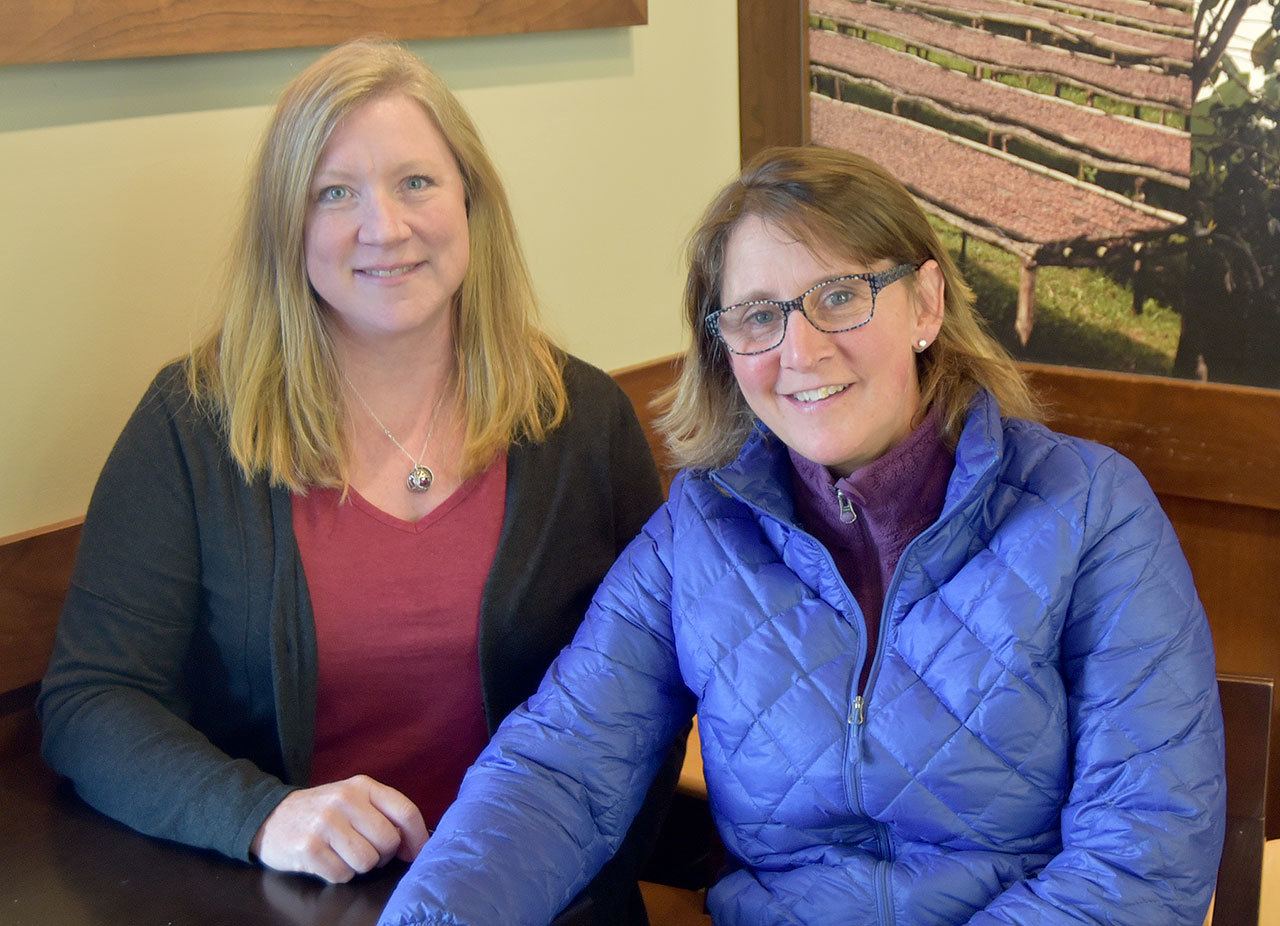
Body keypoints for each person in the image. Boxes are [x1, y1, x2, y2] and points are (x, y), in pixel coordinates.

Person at [378, 146, 1226, 926]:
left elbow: (1144, 861)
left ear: (926, 303)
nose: (801, 349)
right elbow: (560, 772)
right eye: (757, 315)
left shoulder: (1090, 509)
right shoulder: (696, 533)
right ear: (725, 346)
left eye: (841, 296)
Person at [38, 38, 675, 923]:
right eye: (333, 194)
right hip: (290, 902)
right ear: (286, 229)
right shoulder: (193, 424)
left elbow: (652, 695)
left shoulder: (584, 420)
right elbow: (90, 702)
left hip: (543, 901)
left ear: (470, 200)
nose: (384, 227)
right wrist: (264, 816)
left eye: (416, 182)